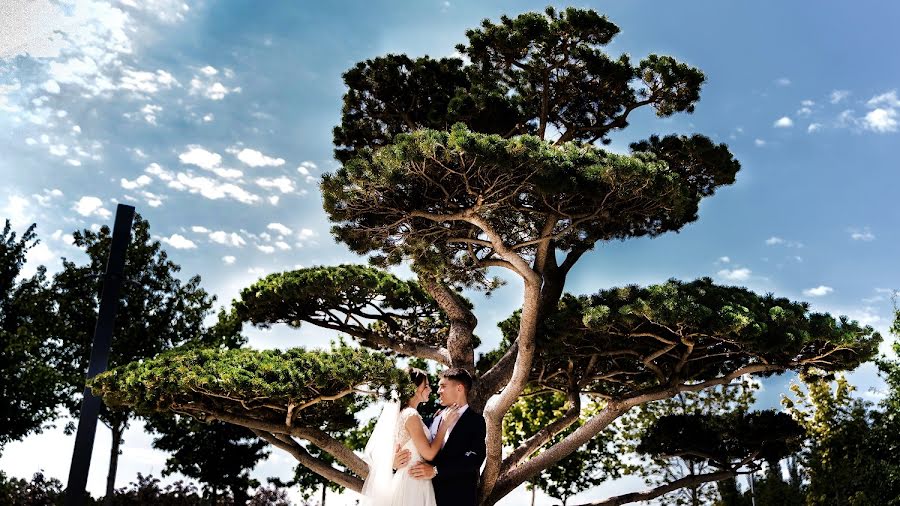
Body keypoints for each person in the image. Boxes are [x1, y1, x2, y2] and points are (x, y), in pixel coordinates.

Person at [360, 368, 460, 506]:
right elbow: (429, 454)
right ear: (413, 388)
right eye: (426, 386)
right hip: (413, 482)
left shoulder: (405, 414)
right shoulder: (411, 415)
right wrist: (444, 426)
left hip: (413, 479)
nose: (430, 390)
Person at [398, 368, 487, 506]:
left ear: (459, 388)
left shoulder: (475, 421)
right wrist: (394, 462)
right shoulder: (431, 419)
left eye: (443, 386)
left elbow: (475, 459)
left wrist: (436, 471)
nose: (438, 391)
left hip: (458, 499)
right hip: (420, 495)